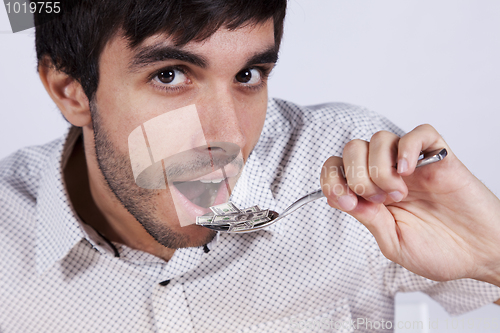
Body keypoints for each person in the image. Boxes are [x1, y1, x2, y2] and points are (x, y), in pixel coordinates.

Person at [1, 0, 499, 332]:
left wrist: (492, 254)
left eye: (248, 74)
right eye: (170, 75)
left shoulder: (357, 176)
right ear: (70, 91)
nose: (230, 137)